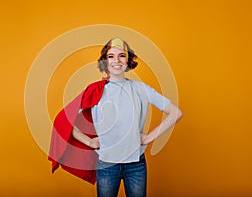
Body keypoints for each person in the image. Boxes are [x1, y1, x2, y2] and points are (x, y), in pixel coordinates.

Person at [49, 37, 183, 197]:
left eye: (122, 55)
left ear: (128, 61)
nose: (116, 60)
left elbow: (175, 112)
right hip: (107, 164)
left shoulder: (140, 89)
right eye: (111, 56)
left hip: (136, 165)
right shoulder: (95, 91)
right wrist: (90, 142)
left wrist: (147, 138)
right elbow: (63, 120)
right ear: (105, 62)